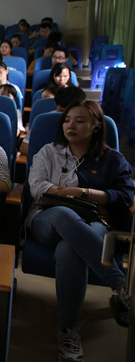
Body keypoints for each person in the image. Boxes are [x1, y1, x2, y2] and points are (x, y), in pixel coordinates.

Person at [27, 101, 134, 361]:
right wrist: (69, 196)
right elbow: (37, 186)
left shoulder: (112, 159)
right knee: (65, 215)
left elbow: (125, 196)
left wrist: (83, 192)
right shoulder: (49, 152)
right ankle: (121, 285)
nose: (70, 126)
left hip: (95, 221)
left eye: (80, 121)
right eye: (67, 120)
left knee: (70, 249)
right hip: (47, 217)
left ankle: (67, 331)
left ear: (96, 125)